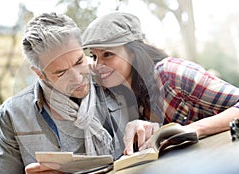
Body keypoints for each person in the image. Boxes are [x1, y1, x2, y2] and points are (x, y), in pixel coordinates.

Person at [0, 12, 131, 174]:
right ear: (40, 74)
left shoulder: (114, 83)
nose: (77, 77)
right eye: (61, 72)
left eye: (79, 61)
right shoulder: (12, 114)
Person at [82, 11, 239, 155]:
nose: (98, 65)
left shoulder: (170, 73)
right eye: (94, 56)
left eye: (107, 54)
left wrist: (192, 129)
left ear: (133, 52)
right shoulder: (122, 99)